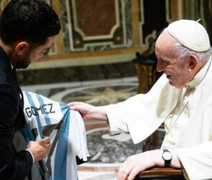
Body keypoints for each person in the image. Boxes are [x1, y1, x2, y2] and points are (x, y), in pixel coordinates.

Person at [70, 19, 212, 180]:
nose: (158, 68)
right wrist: (97, 112)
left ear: (191, 63)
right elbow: (147, 105)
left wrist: (163, 156)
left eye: (164, 62)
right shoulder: (181, 73)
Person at [0, 0, 61, 179]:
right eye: (42, 51)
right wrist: (32, 154)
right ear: (21, 47)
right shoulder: (3, 90)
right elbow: (3, 170)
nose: (40, 57)